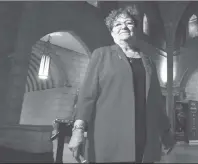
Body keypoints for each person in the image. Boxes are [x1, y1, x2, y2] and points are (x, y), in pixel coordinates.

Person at [68, 6, 174, 163]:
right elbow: (87, 96)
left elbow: (156, 101)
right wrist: (78, 131)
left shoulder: (148, 61)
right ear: (112, 32)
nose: (123, 26)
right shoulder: (101, 55)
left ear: (135, 29)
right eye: (117, 24)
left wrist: (166, 132)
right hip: (109, 135)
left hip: (144, 136)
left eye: (129, 22)